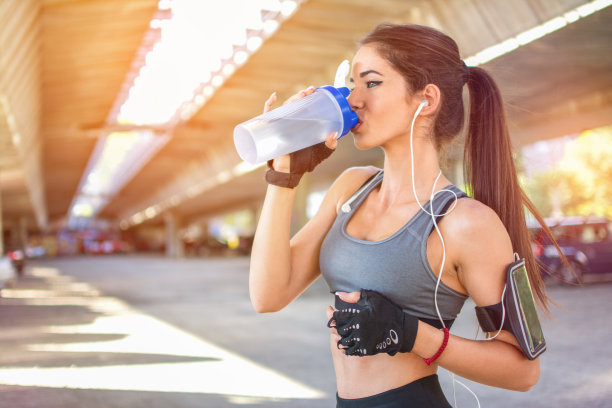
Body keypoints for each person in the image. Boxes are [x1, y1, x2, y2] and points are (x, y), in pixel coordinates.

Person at [249, 23, 555, 407]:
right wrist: (283, 177)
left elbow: (524, 371)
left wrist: (409, 334)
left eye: (371, 83)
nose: (353, 99)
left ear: (426, 99)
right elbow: (268, 294)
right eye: (350, 83)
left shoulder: (465, 223)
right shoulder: (351, 188)